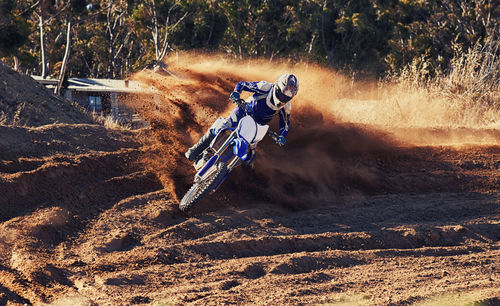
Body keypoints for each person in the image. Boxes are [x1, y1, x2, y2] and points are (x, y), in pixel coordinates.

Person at [185, 73, 299, 164]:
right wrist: (236, 93)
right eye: (282, 94)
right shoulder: (265, 87)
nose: (282, 99)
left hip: (257, 126)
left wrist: (282, 136)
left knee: (249, 155)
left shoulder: (286, 107)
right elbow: (243, 85)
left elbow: (285, 124)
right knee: (223, 128)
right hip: (243, 112)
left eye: (286, 98)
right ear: (277, 86)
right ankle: (195, 150)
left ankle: (222, 170)